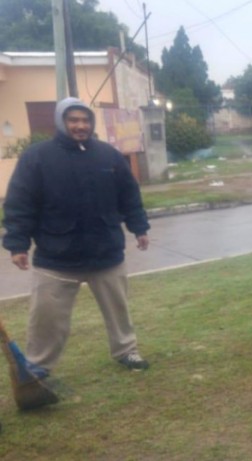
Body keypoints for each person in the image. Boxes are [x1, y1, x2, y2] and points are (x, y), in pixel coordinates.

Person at [2, 97, 152, 376]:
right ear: (61, 121)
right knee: (46, 317)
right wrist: (17, 244)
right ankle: (37, 366)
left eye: (85, 120)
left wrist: (139, 227)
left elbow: (129, 196)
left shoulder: (109, 155)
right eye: (73, 120)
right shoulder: (37, 157)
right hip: (55, 255)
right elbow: (20, 203)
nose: (80, 125)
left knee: (119, 310)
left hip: (106, 252)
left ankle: (126, 351)